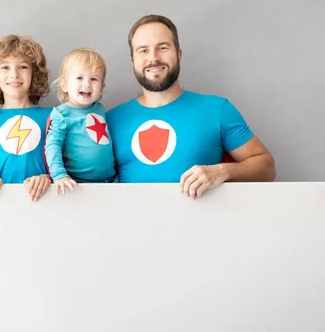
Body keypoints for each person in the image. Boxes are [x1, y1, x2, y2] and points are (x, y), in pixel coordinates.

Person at [106, 15, 276, 199]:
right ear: (133, 61)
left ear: (178, 54)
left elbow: (267, 168)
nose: (153, 58)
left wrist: (223, 171)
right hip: (132, 226)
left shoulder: (217, 110)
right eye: (143, 50)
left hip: (203, 226)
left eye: (163, 48)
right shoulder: (108, 122)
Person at [0, 35, 52, 201]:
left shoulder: (53, 116)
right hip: (3, 204)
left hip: (47, 200)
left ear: (35, 74)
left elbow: (66, 166)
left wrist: (48, 178)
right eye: (5, 68)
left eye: (23, 67)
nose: (14, 74)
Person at [44, 48, 116, 195]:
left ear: (101, 88)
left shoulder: (99, 109)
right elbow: (52, 146)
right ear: (64, 85)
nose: (87, 84)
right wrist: (59, 175)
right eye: (79, 78)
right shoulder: (62, 114)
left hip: (109, 182)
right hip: (76, 185)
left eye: (94, 79)